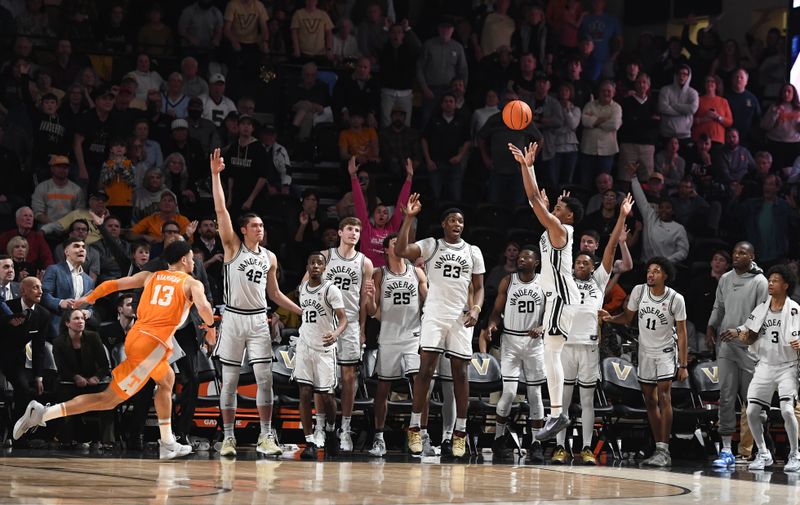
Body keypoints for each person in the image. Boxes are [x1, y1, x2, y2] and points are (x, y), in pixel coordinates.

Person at [13, 240, 216, 460]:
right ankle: (44, 413)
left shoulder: (150, 276)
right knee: (108, 400)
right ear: (184, 259)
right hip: (152, 345)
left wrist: (88, 298)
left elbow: (112, 285)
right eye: (192, 259)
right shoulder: (192, 283)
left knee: (166, 378)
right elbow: (204, 308)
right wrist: (211, 327)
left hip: (137, 337)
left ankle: (167, 441)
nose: (195, 263)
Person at [209, 148, 302, 457]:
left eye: (263, 226)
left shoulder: (270, 257)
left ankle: (265, 435)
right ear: (244, 229)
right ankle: (228, 438)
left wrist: (301, 311)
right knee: (231, 380)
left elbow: (274, 294)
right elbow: (221, 211)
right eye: (255, 225)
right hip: (233, 318)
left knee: (265, 379)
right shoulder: (233, 247)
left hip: (259, 319)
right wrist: (216, 175)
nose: (261, 229)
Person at [395, 195, 485, 458]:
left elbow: (478, 288)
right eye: (453, 220)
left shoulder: (473, 251)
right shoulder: (432, 245)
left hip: (460, 317)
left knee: (461, 374)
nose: (458, 224)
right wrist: (409, 219)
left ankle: (460, 431)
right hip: (434, 314)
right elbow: (401, 251)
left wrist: (477, 308)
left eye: (461, 221)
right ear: (444, 223)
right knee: (425, 372)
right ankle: (414, 426)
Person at [508, 141, 585, 441]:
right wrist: (530, 169)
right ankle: (557, 413)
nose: (553, 207)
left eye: (558, 208)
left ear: (567, 216)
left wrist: (526, 166)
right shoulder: (555, 227)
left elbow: (532, 198)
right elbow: (534, 199)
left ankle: (557, 413)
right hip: (560, 297)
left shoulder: (559, 229)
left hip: (561, 297)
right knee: (551, 353)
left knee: (550, 354)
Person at [554, 194, 632, 465]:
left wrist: (622, 216)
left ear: (593, 267)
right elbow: (557, 246)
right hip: (565, 346)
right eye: (578, 262)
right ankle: (560, 447)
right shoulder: (564, 280)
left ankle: (587, 448)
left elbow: (610, 250)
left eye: (586, 262)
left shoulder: (599, 282)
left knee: (587, 401)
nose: (581, 264)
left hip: (588, 347)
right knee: (562, 402)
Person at [600, 257, 688, 467]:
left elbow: (683, 333)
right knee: (649, 400)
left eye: (656, 271)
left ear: (665, 275)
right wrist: (610, 318)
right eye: (649, 270)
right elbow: (627, 318)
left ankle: (664, 449)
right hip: (645, 352)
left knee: (664, 396)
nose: (651, 274)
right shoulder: (639, 291)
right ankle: (658, 446)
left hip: (666, 351)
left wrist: (683, 365)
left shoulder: (676, 298)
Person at [305, 216, 374, 452]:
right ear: (340, 232)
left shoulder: (365, 262)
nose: (354, 233)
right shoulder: (325, 257)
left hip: (351, 323)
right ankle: (321, 427)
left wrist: (363, 329)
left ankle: (345, 429)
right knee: (322, 382)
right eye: (349, 229)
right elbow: (305, 286)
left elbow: (364, 299)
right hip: (325, 323)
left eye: (357, 230)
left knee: (348, 379)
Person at [722, 265, 800, 472]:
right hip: (765, 366)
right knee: (752, 410)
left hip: (787, 367)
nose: (770, 283)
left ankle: (795, 454)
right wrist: (737, 332)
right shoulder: (762, 308)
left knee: (787, 410)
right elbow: (747, 332)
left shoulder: (794, 309)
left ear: (786, 285)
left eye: (775, 280)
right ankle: (763, 453)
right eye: (769, 280)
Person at [364, 234, 428, 457]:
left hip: (413, 336)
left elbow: (428, 302)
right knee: (383, 389)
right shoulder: (379, 274)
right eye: (394, 243)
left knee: (420, 384)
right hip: (389, 337)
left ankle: (419, 431)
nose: (399, 246)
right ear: (386, 250)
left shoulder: (417, 272)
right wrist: (370, 299)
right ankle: (379, 437)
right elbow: (373, 312)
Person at [706, 242, 768, 467]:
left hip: (751, 349)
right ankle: (725, 449)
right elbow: (718, 306)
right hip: (726, 347)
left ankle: (760, 450)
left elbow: (762, 316)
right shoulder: (725, 279)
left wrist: (740, 330)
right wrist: (711, 326)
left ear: (752, 256)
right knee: (726, 396)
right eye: (734, 252)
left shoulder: (760, 282)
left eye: (742, 253)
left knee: (752, 402)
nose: (736, 256)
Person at [486, 246, 547, 462]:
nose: (522, 259)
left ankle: (536, 442)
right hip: (511, 341)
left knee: (535, 395)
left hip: (534, 343)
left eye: (527, 256)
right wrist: (492, 324)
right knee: (509, 393)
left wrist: (542, 327)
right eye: (520, 256)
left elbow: (552, 314)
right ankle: (498, 440)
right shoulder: (508, 281)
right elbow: (496, 312)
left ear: (536, 262)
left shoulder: (544, 282)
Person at [296, 252, 348, 459]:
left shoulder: (331, 289)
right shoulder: (302, 289)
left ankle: (331, 431)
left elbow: (344, 319)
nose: (316, 266)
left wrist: (335, 334)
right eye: (312, 262)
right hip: (304, 346)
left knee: (327, 396)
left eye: (320, 263)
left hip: (325, 348)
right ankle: (309, 441)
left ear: (325, 267)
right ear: (307, 266)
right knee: (305, 392)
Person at [1, 277, 52, 430]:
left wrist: (38, 376)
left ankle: (16, 432)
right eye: (35, 287)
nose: (41, 291)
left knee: (24, 390)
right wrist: (6, 322)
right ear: (23, 291)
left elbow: (38, 348)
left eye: (41, 287)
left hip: (15, 359)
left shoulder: (43, 314)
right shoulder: (7, 307)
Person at [348, 156, 412, 267]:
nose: (382, 214)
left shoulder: (392, 229)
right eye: (379, 212)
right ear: (373, 215)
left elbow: (401, 205)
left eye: (385, 212)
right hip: (367, 271)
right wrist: (353, 177)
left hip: (386, 273)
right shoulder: (366, 228)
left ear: (388, 217)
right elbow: (360, 204)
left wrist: (409, 178)